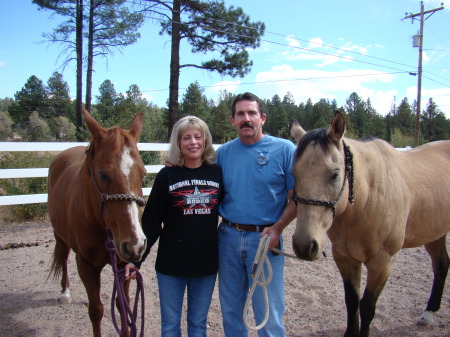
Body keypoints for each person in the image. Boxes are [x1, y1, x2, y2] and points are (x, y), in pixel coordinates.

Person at [126, 116, 223, 337]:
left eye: (198, 137)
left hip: (205, 264)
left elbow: (233, 208)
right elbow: (151, 223)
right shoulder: (166, 176)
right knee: (170, 326)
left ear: (205, 140)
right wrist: (136, 261)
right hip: (170, 265)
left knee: (198, 324)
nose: (193, 142)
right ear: (178, 143)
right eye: (186, 137)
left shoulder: (217, 174)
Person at [216, 92, 297, 337]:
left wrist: (278, 228)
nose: (246, 118)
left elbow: (296, 200)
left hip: (265, 238)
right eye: (240, 114)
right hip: (227, 237)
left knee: (268, 314)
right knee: (231, 311)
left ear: (262, 118)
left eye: (252, 113)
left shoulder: (285, 150)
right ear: (233, 120)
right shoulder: (223, 154)